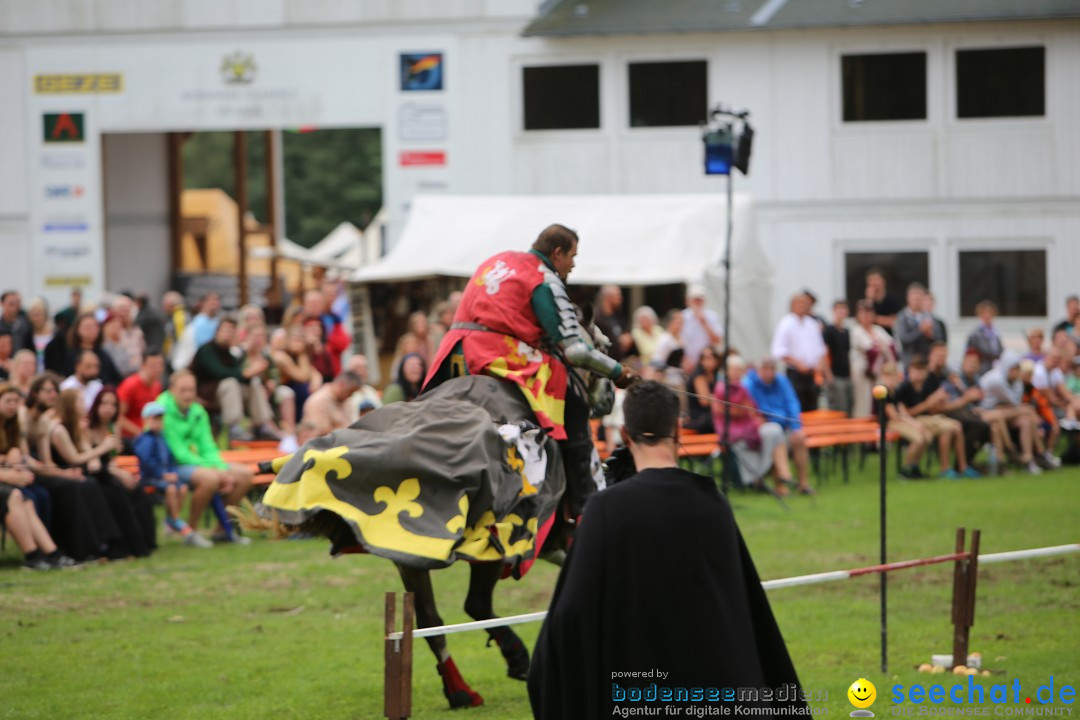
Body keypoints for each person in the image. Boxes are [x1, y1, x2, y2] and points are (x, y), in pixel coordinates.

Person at [528, 380, 805, 719]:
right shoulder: (712, 504)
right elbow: (745, 615)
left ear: (626, 436)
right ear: (678, 429)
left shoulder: (606, 509)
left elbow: (570, 616)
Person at [425, 224, 633, 521]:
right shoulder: (543, 277)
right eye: (572, 256)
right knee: (573, 401)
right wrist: (616, 371)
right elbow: (574, 350)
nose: (573, 264)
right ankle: (583, 506)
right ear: (557, 252)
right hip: (495, 354)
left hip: (454, 353)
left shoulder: (499, 261)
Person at [45, 388, 152, 558]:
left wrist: (103, 459)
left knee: (125, 488)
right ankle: (106, 544)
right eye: (80, 400)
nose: (83, 404)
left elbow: (91, 456)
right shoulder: (60, 429)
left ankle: (129, 544)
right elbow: (73, 458)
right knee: (106, 488)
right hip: (70, 473)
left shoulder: (84, 426)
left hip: (91, 470)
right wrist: (102, 450)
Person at [157, 370, 254, 544]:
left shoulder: (198, 410)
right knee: (210, 479)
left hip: (199, 463)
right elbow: (179, 453)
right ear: (172, 390)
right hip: (172, 466)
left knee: (245, 475)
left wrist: (221, 469)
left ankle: (222, 529)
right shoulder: (162, 411)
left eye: (191, 390)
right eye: (183, 390)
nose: (188, 395)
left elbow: (208, 446)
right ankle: (191, 532)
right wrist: (215, 471)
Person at [714, 355, 797, 494]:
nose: (737, 373)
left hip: (748, 429)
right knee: (773, 432)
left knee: (775, 430)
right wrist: (748, 414)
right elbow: (732, 412)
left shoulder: (742, 388)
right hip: (733, 433)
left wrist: (755, 418)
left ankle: (782, 476)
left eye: (739, 370)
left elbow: (752, 411)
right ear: (727, 371)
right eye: (734, 369)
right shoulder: (722, 388)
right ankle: (778, 477)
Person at [134, 402, 212, 548]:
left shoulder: (162, 438)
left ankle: (171, 518)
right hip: (150, 478)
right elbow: (146, 462)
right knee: (171, 489)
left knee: (182, 488)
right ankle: (176, 520)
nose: (158, 422)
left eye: (160, 419)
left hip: (165, 476)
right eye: (155, 419)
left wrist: (172, 472)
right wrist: (163, 474)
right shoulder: (145, 439)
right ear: (146, 420)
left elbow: (170, 460)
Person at [191, 317, 274, 441]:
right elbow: (220, 372)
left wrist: (255, 377)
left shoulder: (230, 354)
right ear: (217, 331)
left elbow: (241, 376)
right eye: (226, 330)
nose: (228, 334)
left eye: (231, 331)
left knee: (254, 383)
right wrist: (247, 373)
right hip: (206, 395)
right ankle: (234, 427)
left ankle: (262, 425)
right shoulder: (206, 350)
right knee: (230, 383)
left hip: (227, 395)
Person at [895, 358, 977, 479]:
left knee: (955, 426)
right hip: (912, 420)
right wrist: (928, 403)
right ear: (910, 371)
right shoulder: (904, 388)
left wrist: (940, 400)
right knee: (933, 433)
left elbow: (933, 410)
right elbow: (906, 413)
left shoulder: (927, 386)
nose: (920, 374)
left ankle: (961, 467)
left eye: (922, 371)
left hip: (927, 418)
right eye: (916, 370)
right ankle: (913, 468)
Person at [980, 352, 1058, 474]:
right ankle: (1036, 453)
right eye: (1013, 369)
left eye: (1017, 369)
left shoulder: (1017, 381)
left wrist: (1016, 407)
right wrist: (1023, 408)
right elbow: (1013, 402)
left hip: (1003, 412)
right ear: (1006, 367)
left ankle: (1029, 459)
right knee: (1028, 411)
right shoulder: (996, 380)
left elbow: (1014, 402)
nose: (1015, 372)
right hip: (987, 412)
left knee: (1026, 420)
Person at [741, 357, 812, 492]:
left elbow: (792, 403)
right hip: (764, 428)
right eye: (765, 369)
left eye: (771, 369)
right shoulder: (749, 384)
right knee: (775, 435)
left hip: (785, 425)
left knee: (800, 438)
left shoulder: (782, 381)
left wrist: (796, 427)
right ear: (758, 370)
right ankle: (781, 485)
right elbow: (752, 410)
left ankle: (803, 484)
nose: (768, 373)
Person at [770, 292, 827, 412]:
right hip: (796, 374)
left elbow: (820, 348)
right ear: (792, 305)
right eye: (799, 303)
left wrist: (820, 365)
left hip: (812, 373)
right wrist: (797, 363)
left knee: (813, 405)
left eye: (804, 303)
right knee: (797, 405)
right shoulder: (786, 323)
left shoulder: (811, 323)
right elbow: (779, 350)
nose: (802, 306)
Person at [850, 300, 896, 417]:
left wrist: (882, 349)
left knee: (879, 400)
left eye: (869, 313)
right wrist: (881, 348)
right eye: (863, 313)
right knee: (863, 402)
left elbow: (892, 346)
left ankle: (877, 425)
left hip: (879, 373)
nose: (866, 316)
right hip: (862, 372)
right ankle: (862, 428)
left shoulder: (877, 329)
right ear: (858, 315)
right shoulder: (856, 330)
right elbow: (869, 350)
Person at [116, 351, 165, 440]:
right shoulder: (130, 385)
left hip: (149, 434)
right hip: (130, 437)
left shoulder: (157, 386)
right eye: (153, 365)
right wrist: (140, 433)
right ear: (143, 366)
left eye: (160, 365)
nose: (157, 369)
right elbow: (118, 416)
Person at [302, 371, 362, 435]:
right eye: (350, 392)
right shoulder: (318, 401)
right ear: (341, 385)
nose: (350, 396)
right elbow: (320, 434)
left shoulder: (347, 401)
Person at [679, 283, 723, 370]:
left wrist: (704, 323)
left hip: (707, 364)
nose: (697, 302)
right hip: (687, 364)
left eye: (700, 299)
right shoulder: (682, 316)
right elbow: (677, 340)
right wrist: (684, 359)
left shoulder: (713, 316)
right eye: (695, 299)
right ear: (689, 301)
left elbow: (718, 340)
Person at [822, 299, 853, 416]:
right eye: (839, 308)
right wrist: (829, 375)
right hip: (835, 375)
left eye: (844, 308)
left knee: (849, 406)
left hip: (846, 375)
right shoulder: (829, 331)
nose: (842, 311)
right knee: (840, 409)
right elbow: (823, 353)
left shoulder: (847, 331)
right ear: (833, 311)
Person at [895, 283, 935, 367]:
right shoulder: (902, 317)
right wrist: (920, 330)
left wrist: (930, 336)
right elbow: (904, 339)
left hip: (926, 363)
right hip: (909, 363)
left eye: (919, 299)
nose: (917, 302)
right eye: (915, 299)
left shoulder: (929, 317)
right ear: (908, 299)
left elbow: (937, 340)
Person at [593, 285, 633, 362]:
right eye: (618, 295)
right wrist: (619, 342)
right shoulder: (598, 319)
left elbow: (627, 333)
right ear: (608, 297)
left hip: (622, 360)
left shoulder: (617, 315)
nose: (621, 298)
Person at [684, 344, 719, 433]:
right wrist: (720, 398)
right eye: (704, 358)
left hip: (709, 414)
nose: (707, 361)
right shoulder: (699, 375)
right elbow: (705, 400)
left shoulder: (714, 375)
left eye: (710, 357)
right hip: (700, 417)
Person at [966, 301, 1004, 376]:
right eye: (984, 313)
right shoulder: (975, 333)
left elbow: (1000, 348)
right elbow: (980, 350)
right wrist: (996, 355)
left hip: (995, 367)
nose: (988, 315)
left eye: (990, 313)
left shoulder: (995, 331)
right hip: (982, 368)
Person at [345, 354, 382, 424]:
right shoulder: (345, 394)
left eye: (364, 368)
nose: (361, 372)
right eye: (357, 368)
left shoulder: (370, 390)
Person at [864, 267, 901, 334]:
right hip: (872, 338)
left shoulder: (892, 300)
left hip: (890, 336)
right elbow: (864, 321)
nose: (874, 283)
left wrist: (874, 318)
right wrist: (869, 300)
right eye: (870, 280)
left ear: (883, 281)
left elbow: (894, 322)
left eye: (876, 279)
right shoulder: (866, 302)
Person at [26, 297, 53, 369]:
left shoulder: (55, 334)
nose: (36, 318)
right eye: (34, 315)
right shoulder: (28, 335)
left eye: (39, 314)